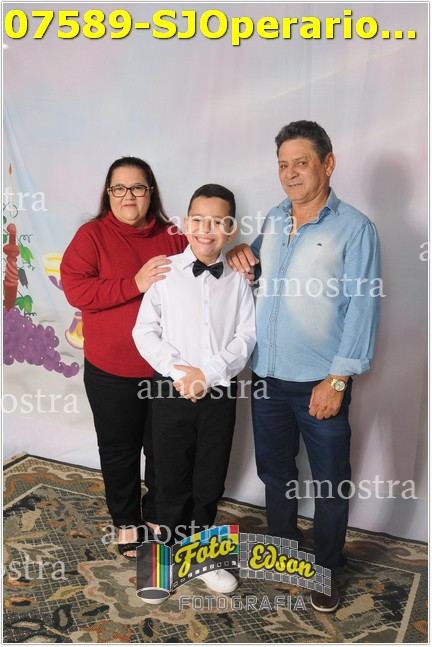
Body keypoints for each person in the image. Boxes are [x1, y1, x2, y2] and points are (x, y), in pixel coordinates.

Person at [227, 121, 380, 612]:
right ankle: (285, 553)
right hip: (267, 379)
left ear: (327, 164)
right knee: (276, 475)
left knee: (329, 483)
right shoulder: (274, 220)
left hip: (321, 381)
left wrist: (338, 379)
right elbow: (254, 276)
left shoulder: (355, 228)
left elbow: (362, 307)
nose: (290, 173)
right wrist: (241, 254)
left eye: (301, 163)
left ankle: (327, 570)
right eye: (283, 165)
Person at [132, 183, 256, 596]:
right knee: (169, 478)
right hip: (171, 392)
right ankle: (162, 560)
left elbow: (246, 336)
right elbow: (144, 331)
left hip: (218, 394)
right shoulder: (165, 272)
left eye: (218, 222)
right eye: (199, 220)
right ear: (185, 224)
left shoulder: (238, 280)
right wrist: (179, 371)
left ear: (231, 228)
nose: (206, 229)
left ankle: (200, 556)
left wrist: (210, 373)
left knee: (209, 479)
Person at [60, 156, 187, 559]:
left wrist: (238, 256)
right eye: (119, 188)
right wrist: (134, 283)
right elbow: (77, 291)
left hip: (163, 370)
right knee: (119, 450)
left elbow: (202, 273)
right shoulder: (91, 235)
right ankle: (127, 521)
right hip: (111, 370)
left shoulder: (173, 236)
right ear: (108, 193)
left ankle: (158, 515)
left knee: (163, 449)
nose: (128, 196)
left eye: (137, 187)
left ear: (151, 192)